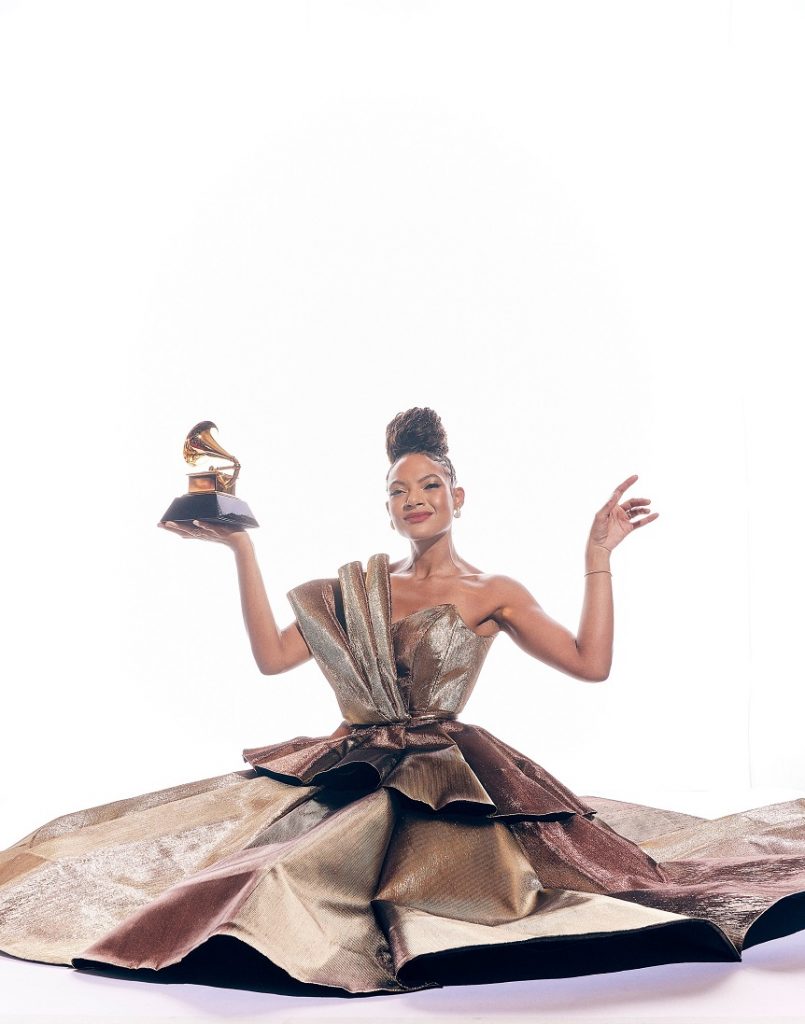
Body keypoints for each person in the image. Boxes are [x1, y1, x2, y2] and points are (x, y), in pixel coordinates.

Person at [1, 406, 804, 997]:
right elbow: (273, 657)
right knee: (238, 871)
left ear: (458, 495)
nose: (414, 497)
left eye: (429, 484)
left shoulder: (493, 591)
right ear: (386, 507)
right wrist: (241, 548)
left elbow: (588, 664)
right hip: (351, 767)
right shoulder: (357, 587)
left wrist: (597, 556)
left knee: (561, 884)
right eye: (398, 489)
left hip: (450, 780)